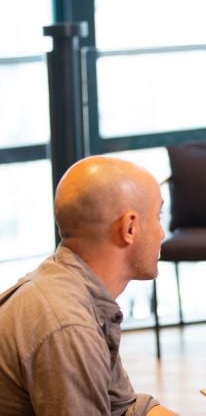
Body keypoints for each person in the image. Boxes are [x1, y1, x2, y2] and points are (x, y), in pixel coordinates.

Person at [0, 156, 176, 415]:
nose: (162, 233)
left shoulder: (75, 292)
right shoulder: (68, 325)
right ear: (129, 228)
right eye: (157, 215)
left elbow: (123, 408)